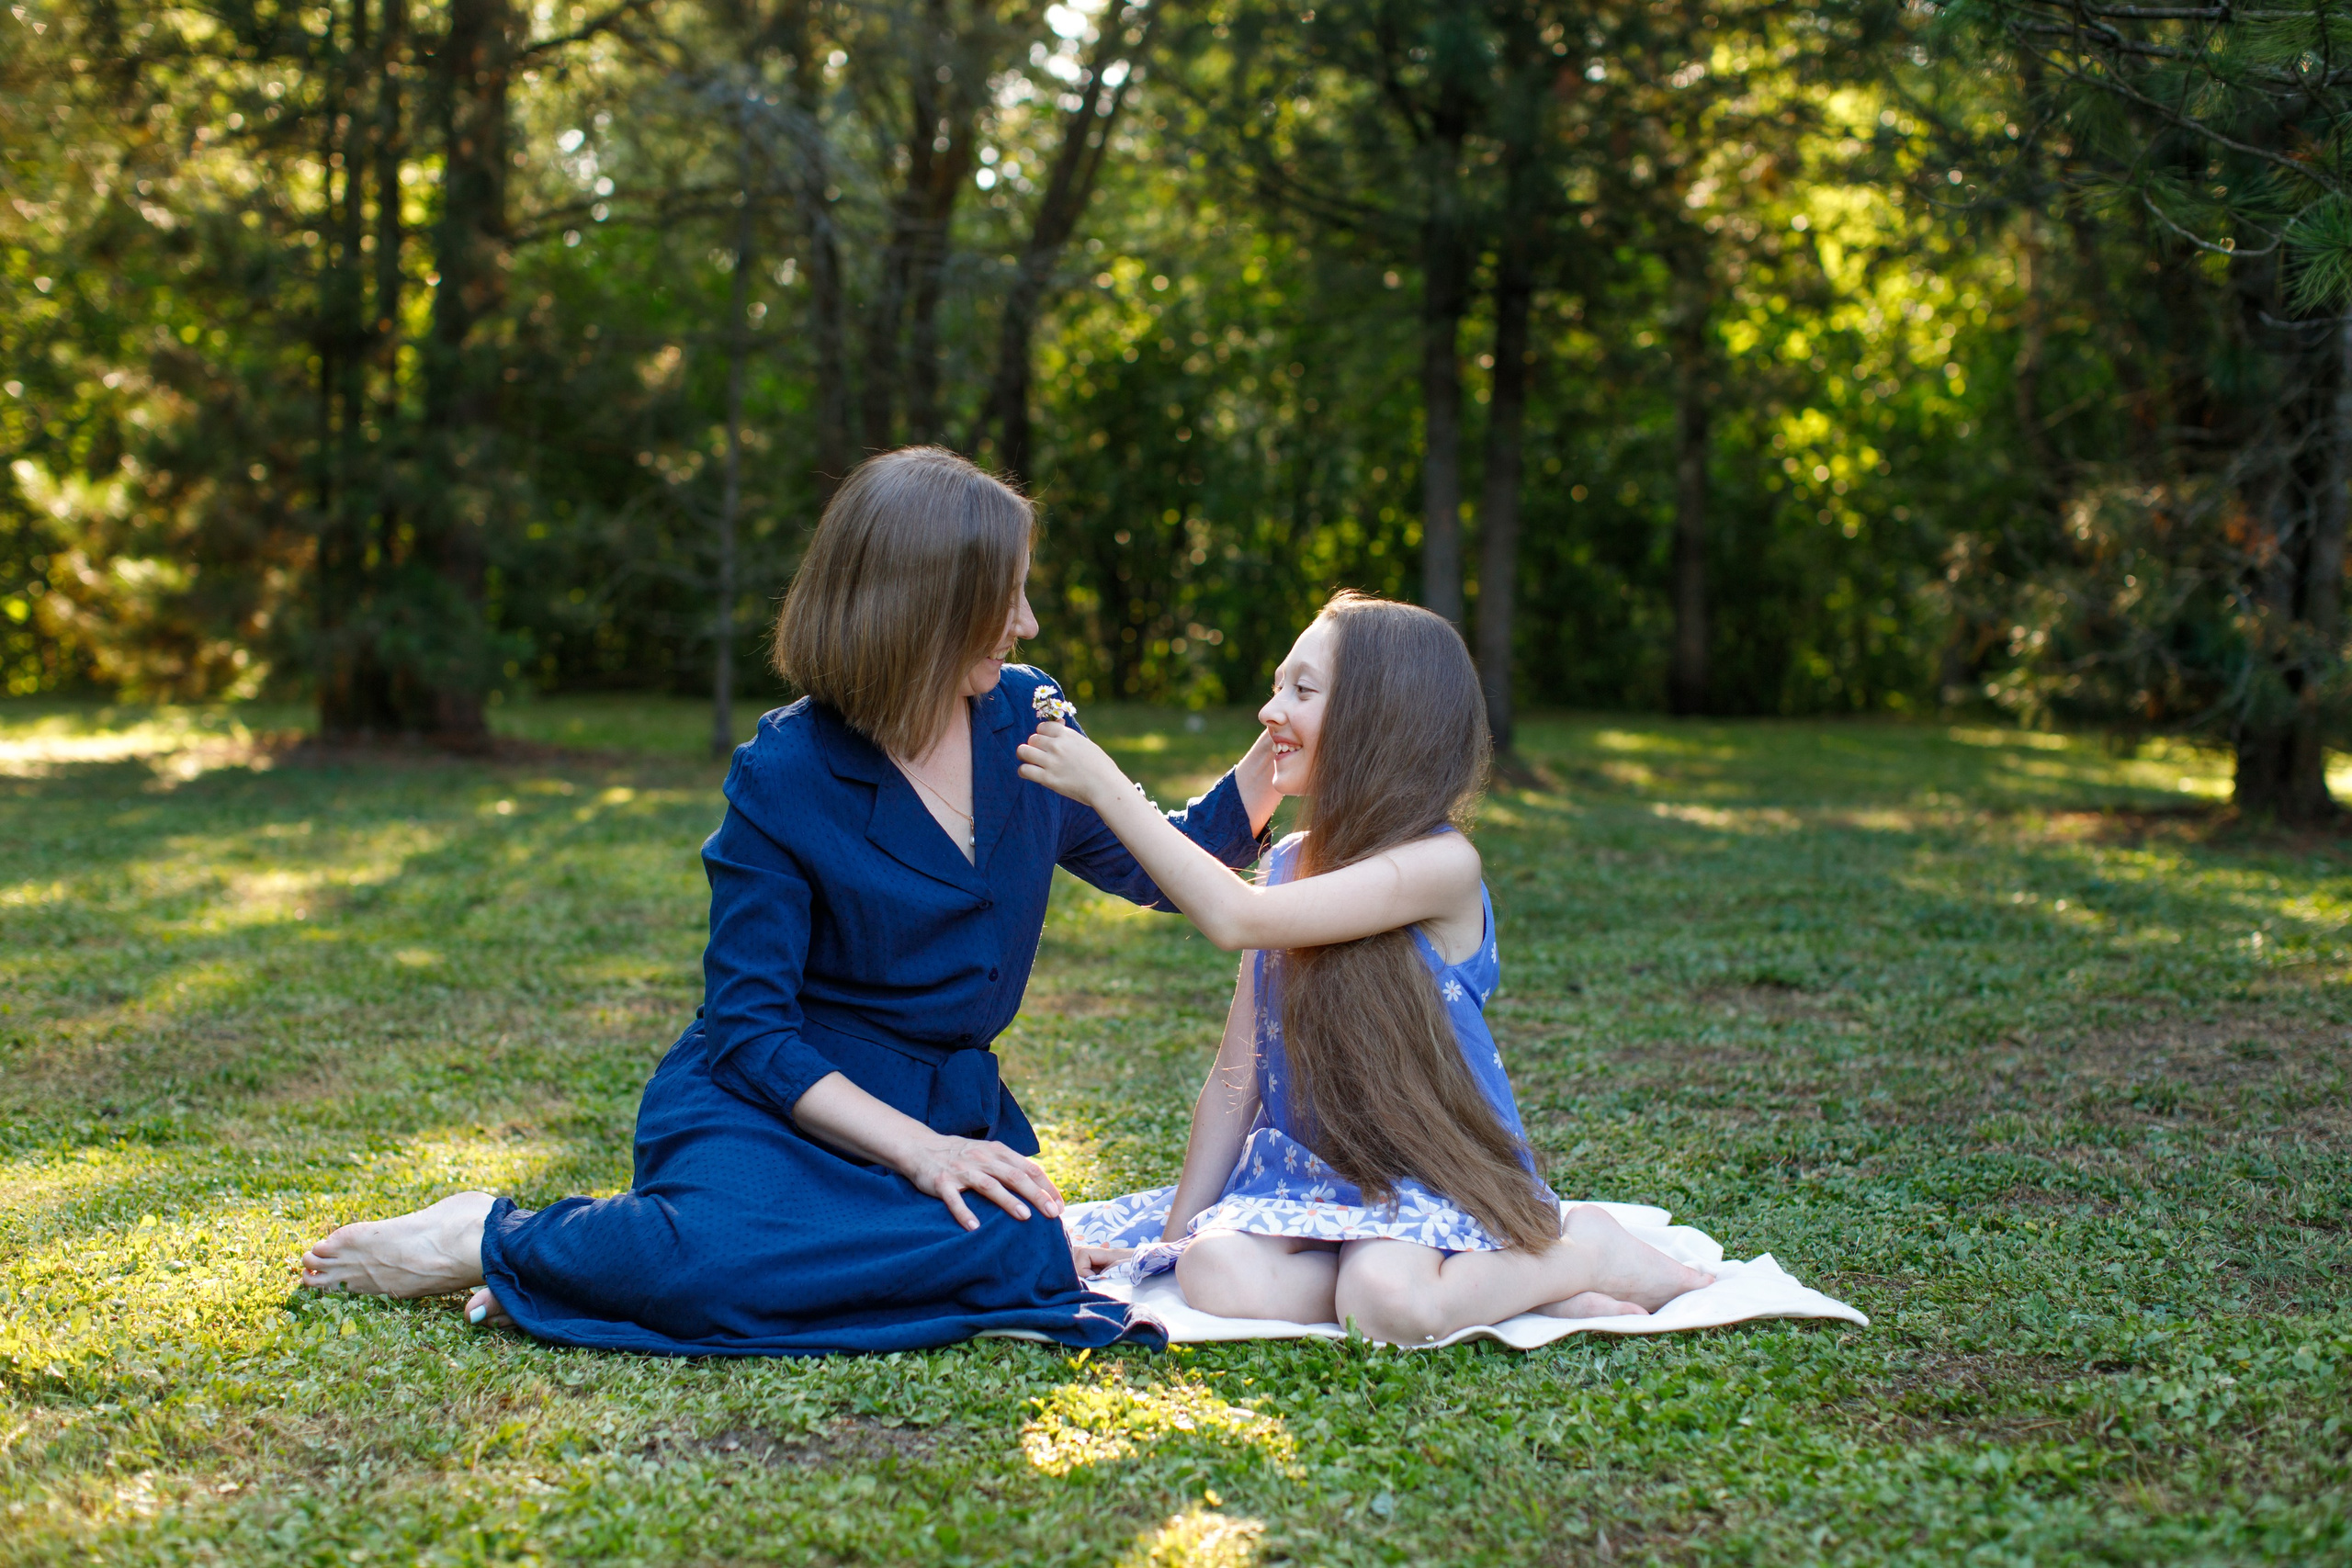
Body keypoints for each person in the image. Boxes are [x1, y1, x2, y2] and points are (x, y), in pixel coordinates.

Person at [298, 446, 1280, 1355]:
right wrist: (920, 1153)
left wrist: (1282, 750)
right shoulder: (787, 768)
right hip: (775, 1099)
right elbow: (751, 1031)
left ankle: (600, 1273)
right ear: (926, 610)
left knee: (1025, 1257)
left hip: (943, 1101)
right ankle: (490, 1233)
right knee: (716, 1260)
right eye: (1006, 599)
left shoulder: (1024, 718)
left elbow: (1170, 861)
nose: (1026, 624)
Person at [1017, 591, 1714, 1344]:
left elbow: (1233, 918)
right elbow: (1235, 1076)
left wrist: (1106, 788)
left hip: (1427, 1170)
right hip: (1311, 1176)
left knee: (1387, 1299)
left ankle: (1586, 1251)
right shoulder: (1286, 862)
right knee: (1209, 1272)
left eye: (1302, 690)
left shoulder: (1441, 865)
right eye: (1278, 684)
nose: (1269, 709)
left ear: (1378, 720)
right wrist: (1174, 1237)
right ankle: (1510, 1287)